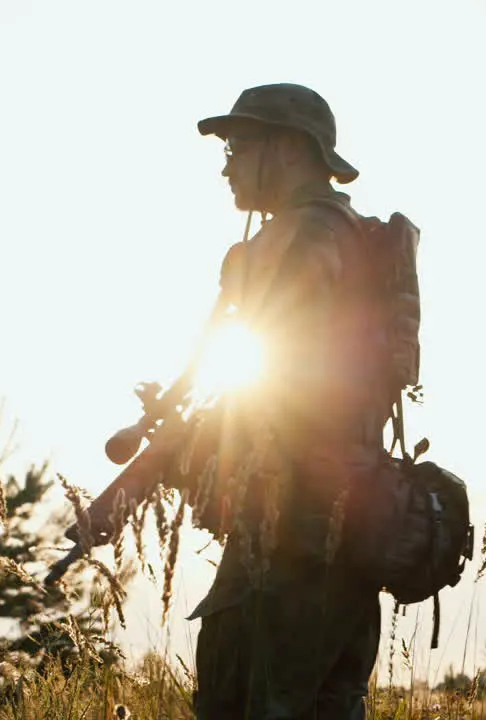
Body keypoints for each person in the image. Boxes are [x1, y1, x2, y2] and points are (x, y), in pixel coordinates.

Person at [185, 82, 394, 720]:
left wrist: (194, 448)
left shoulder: (297, 241)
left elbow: (284, 390)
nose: (226, 165)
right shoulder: (354, 237)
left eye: (239, 145)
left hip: (285, 551)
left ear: (288, 149)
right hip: (344, 538)